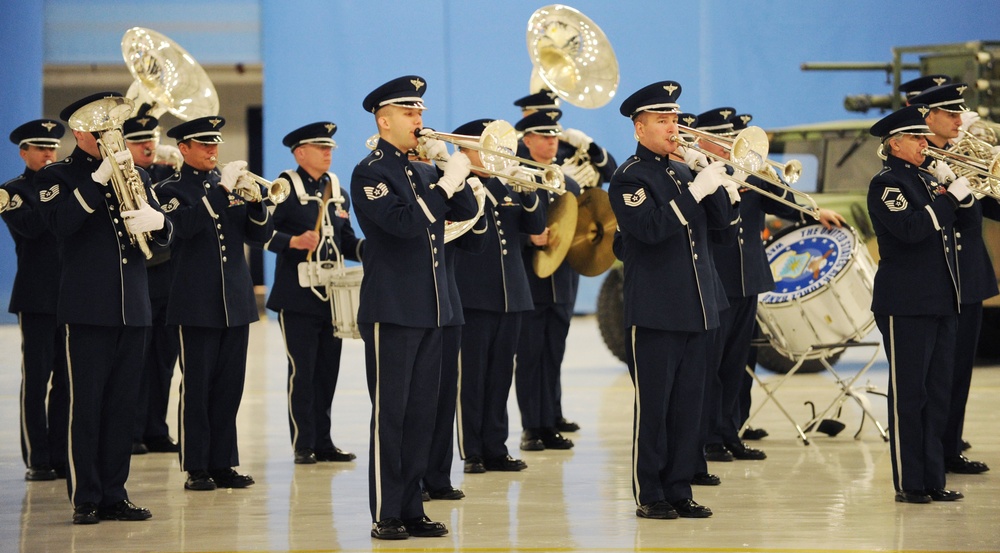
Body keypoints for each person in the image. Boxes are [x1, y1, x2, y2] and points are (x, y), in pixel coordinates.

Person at [349, 75, 478, 540]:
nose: (419, 120)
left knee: (424, 412)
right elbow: (403, 225)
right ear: (385, 121)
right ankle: (387, 511)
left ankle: (412, 506)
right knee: (392, 414)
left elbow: (463, 215)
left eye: (420, 112)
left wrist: (450, 170)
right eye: (409, 113)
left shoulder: (423, 170)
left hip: (433, 309)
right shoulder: (370, 172)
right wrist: (443, 186)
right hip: (393, 309)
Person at [35, 91, 173, 524]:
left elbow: (159, 243)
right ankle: (85, 496)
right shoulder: (58, 175)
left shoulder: (137, 176)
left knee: (122, 405)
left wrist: (162, 223)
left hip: (134, 307)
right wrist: (95, 183)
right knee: (86, 404)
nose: (112, 138)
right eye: (102, 131)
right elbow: (58, 225)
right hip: (88, 308)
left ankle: (115, 492)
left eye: (114, 129)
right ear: (80, 134)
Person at [689, 108, 847, 474]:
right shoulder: (699, 175)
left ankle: (731, 431)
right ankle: (708, 436)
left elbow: (783, 204)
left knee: (739, 362)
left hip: (749, 278)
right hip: (718, 279)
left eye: (733, 137)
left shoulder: (747, 172)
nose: (731, 143)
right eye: (723, 137)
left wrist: (812, 211)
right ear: (704, 139)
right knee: (711, 363)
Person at [608, 80, 738, 520]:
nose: (673, 127)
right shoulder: (629, 176)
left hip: (700, 306)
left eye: (676, 119)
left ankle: (680, 488)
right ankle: (651, 493)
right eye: (662, 120)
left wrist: (715, 179)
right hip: (657, 310)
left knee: (690, 406)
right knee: (656, 408)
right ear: (639, 128)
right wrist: (694, 192)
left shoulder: (684, 170)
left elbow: (722, 226)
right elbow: (648, 230)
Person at [156, 115, 273, 492]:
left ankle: (223, 463)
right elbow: (183, 228)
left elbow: (258, 237)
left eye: (215, 144)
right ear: (184, 149)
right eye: (203, 144)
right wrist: (221, 192)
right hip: (196, 302)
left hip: (235, 301)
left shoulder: (229, 186)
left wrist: (258, 204)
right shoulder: (169, 189)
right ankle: (196, 465)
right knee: (198, 387)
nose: (212, 150)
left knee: (229, 388)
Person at [866, 104, 968, 504]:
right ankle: (910, 483)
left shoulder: (927, 179)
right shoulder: (887, 183)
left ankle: (932, 479)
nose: (926, 144)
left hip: (941, 299)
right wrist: (947, 201)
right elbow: (910, 230)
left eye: (925, 137)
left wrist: (955, 186)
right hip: (905, 302)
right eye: (917, 138)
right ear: (895, 143)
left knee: (937, 391)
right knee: (910, 395)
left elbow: (968, 222)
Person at [908, 83, 995, 475]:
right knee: (932, 376)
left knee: (959, 372)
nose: (961, 120)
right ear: (929, 118)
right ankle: (927, 453)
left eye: (961, 114)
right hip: (939, 280)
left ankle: (949, 447)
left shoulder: (963, 155)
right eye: (952, 114)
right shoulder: (913, 160)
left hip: (971, 276)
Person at [450, 119, 545, 475]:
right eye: (483, 145)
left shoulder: (508, 187)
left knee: (500, 375)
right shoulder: (460, 185)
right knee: (472, 377)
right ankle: (471, 449)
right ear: (464, 151)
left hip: (512, 295)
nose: (492, 152)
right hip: (473, 294)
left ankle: (496, 446)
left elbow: (535, 229)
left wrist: (528, 189)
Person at [265, 121, 362, 465]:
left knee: (327, 371)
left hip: (332, 295)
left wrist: (368, 250)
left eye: (331, 148)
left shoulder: (337, 189)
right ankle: (303, 443)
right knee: (303, 371)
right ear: (299, 152)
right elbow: (259, 231)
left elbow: (345, 238)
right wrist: (290, 242)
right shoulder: (284, 187)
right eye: (321, 148)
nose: (328, 152)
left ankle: (324, 440)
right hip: (297, 295)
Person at [2, 118, 69, 482]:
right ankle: (37, 456)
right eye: (41, 148)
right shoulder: (11, 191)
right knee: (37, 377)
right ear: (23, 152)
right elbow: (29, 227)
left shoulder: (61, 188)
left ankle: (60, 453)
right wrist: (51, 194)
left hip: (71, 295)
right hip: (36, 296)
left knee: (67, 381)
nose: (49, 154)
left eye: (52, 148)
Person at [513, 108, 580, 453]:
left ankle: (550, 422)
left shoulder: (569, 183)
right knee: (529, 358)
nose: (552, 142)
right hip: (530, 284)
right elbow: (509, 229)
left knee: (553, 356)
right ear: (527, 140)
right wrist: (529, 239)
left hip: (562, 286)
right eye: (544, 136)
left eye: (554, 136)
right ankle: (531, 427)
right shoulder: (518, 180)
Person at [120, 105, 182, 455]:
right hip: (138, 278)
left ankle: (156, 429)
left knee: (163, 358)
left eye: (152, 139)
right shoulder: (121, 180)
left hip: (169, 279)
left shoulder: (167, 173)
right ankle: (130, 431)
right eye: (138, 140)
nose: (147, 146)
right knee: (137, 360)